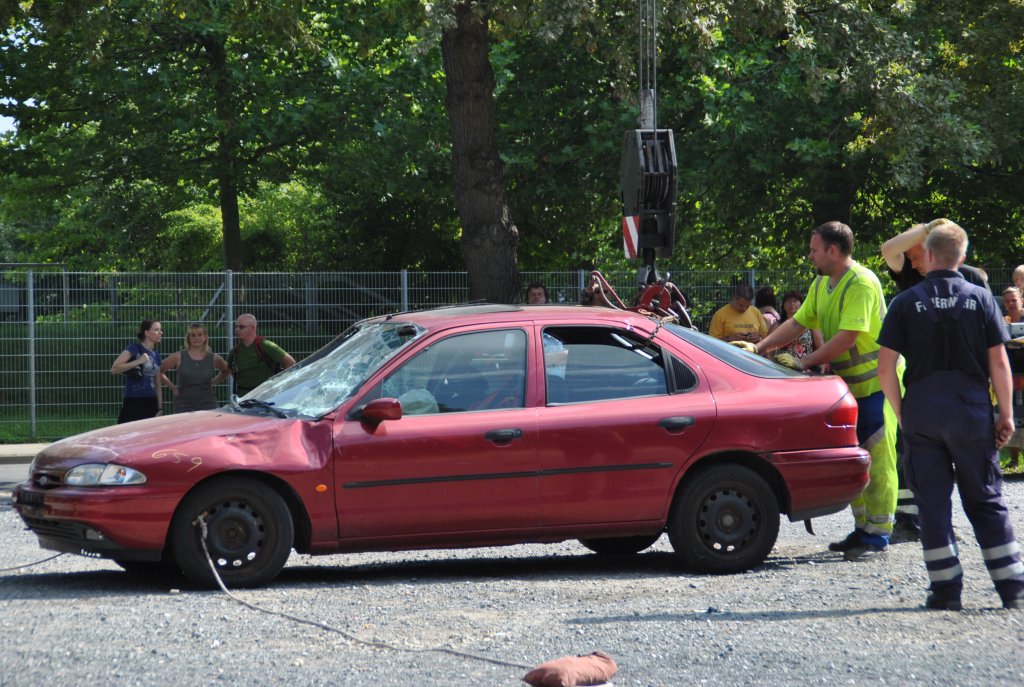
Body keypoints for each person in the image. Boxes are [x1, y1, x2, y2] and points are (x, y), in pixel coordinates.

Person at [877, 219, 1024, 610]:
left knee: (932, 503)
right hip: (971, 410)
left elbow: (885, 367)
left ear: (927, 255)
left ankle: (945, 591)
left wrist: (903, 415)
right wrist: (1005, 414)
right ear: (962, 256)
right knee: (986, 499)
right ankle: (1012, 588)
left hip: (923, 410)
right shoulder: (981, 298)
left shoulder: (905, 302)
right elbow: (1000, 363)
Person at [757, 221, 898, 561]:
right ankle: (862, 530)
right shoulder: (823, 283)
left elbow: (848, 337)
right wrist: (760, 348)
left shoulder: (861, 282)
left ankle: (878, 536)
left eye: (814, 249)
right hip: (850, 387)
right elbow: (798, 322)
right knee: (854, 459)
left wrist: (804, 362)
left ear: (832, 251)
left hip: (877, 386)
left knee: (878, 460)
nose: (810, 256)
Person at [881, 222, 990, 291]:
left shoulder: (972, 277)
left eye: (915, 257)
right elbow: (887, 251)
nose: (913, 264)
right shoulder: (911, 274)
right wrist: (927, 229)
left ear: (931, 250)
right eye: (910, 259)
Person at [110, 319, 174, 423]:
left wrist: (159, 408)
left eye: (160, 330)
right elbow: (114, 369)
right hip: (133, 400)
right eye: (156, 330)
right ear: (147, 332)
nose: (160, 332)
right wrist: (138, 361)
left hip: (151, 401)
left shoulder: (156, 355)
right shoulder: (134, 348)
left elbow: (157, 384)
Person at [160, 324, 230, 412]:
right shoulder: (178, 356)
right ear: (188, 338)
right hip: (183, 406)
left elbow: (226, 370)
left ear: (205, 337)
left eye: (199, 335)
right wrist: (172, 387)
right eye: (193, 335)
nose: (196, 338)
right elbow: (159, 370)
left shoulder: (214, 358)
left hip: (208, 405)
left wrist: (213, 382)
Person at [228, 314, 296, 396]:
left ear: (253, 328)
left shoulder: (266, 345)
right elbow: (231, 370)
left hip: (266, 395)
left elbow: (290, 362)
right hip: (243, 396)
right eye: (236, 326)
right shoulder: (235, 351)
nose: (237, 329)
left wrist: (279, 382)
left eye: (241, 327)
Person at [777, 291, 826, 365]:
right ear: (783, 304)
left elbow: (820, 347)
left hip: (806, 367)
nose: (792, 303)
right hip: (780, 367)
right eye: (788, 300)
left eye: (795, 301)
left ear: (801, 304)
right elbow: (769, 352)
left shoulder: (811, 323)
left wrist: (822, 365)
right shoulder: (777, 325)